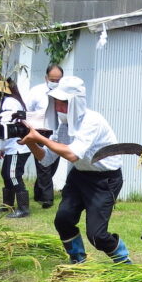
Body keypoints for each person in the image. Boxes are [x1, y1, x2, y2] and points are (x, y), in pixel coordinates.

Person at [20, 76, 131, 264]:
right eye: (57, 102)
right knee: (63, 219)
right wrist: (31, 142)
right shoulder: (64, 126)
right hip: (80, 175)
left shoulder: (92, 121)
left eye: (64, 102)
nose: (59, 107)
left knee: (97, 235)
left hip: (105, 180)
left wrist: (42, 138)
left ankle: (123, 259)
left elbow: (72, 155)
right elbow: (46, 159)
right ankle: (78, 259)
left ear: (76, 102)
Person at [24, 63, 64, 208]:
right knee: (43, 166)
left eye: (58, 80)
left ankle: (39, 192)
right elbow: (27, 110)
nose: (55, 83)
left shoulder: (64, 92)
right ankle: (47, 199)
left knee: (52, 165)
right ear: (46, 78)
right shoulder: (36, 92)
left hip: (58, 132)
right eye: (52, 80)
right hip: (40, 131)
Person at [0, 78, 32, 218]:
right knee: (6, 174)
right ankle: (7, 205)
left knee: (13, 175)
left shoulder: (10, 102)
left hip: (18, 146)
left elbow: (7, 125)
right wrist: (3, 148)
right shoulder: (9, 101)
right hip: (11, 146)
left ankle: (23, 208)